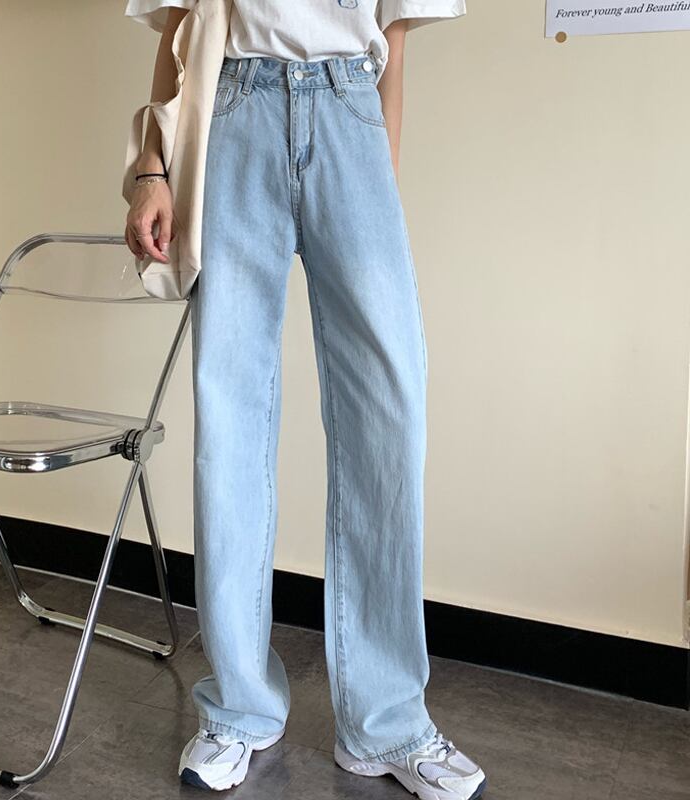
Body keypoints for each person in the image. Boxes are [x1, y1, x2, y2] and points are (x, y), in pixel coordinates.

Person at [123, 2, 486, 798]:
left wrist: (374, 174)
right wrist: (152, 170)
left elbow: (392, 39)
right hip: (233, 111)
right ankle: (238, 708)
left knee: (388, 412)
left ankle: (387, 722)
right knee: (229, 414)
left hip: (352, 108)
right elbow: (179, 31)